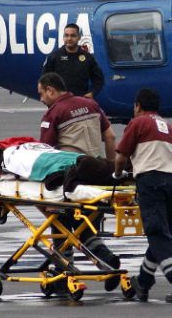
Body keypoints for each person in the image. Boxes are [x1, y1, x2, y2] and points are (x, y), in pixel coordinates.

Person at [37, 72, 121, 290]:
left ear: (50, 90)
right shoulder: (91, 104)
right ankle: (107, 259)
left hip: (72, 180)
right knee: (83, 226)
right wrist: (109, 168)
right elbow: (110, 136)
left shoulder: (54, 113)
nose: (41, 99)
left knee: (59, 221)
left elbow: (46, 154)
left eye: (41, 94)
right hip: (98, 176)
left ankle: (64, 274)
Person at [114, 87, 172, 303]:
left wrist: (118, 174)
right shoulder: (168, 126)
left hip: (151, 181)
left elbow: (121, 156)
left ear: (138, 106)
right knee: (162, 234)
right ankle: (143, 282)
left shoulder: (138, 123)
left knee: (157, 233)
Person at [42, 23, 104, 99]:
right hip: (59, 102)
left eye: (73, 35)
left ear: (79, 37)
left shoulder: (88, 57)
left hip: (80, 102)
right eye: (66, 35)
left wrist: (92, 93)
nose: (69, 38)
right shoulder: (54, 57)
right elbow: (44, 80)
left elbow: (99, 80)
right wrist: (51, 97)